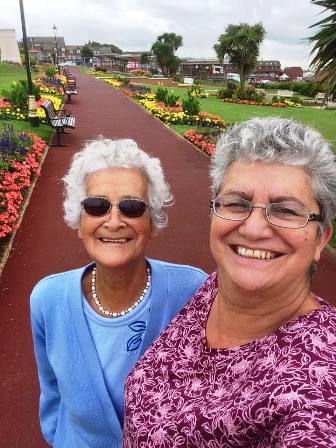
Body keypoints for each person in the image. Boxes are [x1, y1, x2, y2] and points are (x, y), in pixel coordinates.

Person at [123, 117, 336, 447]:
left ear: (321, 238)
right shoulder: (214, 288)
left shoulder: (317, 383)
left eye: (285, 211)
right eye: (237, 203)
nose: (253, 229)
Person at [30, 138, 207, 448]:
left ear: (153, 223)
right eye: (97, 206)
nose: (114, 221)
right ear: (79, 221)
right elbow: (52, 394)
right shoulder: (48, 299)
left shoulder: (192, 292)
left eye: (132, 207)